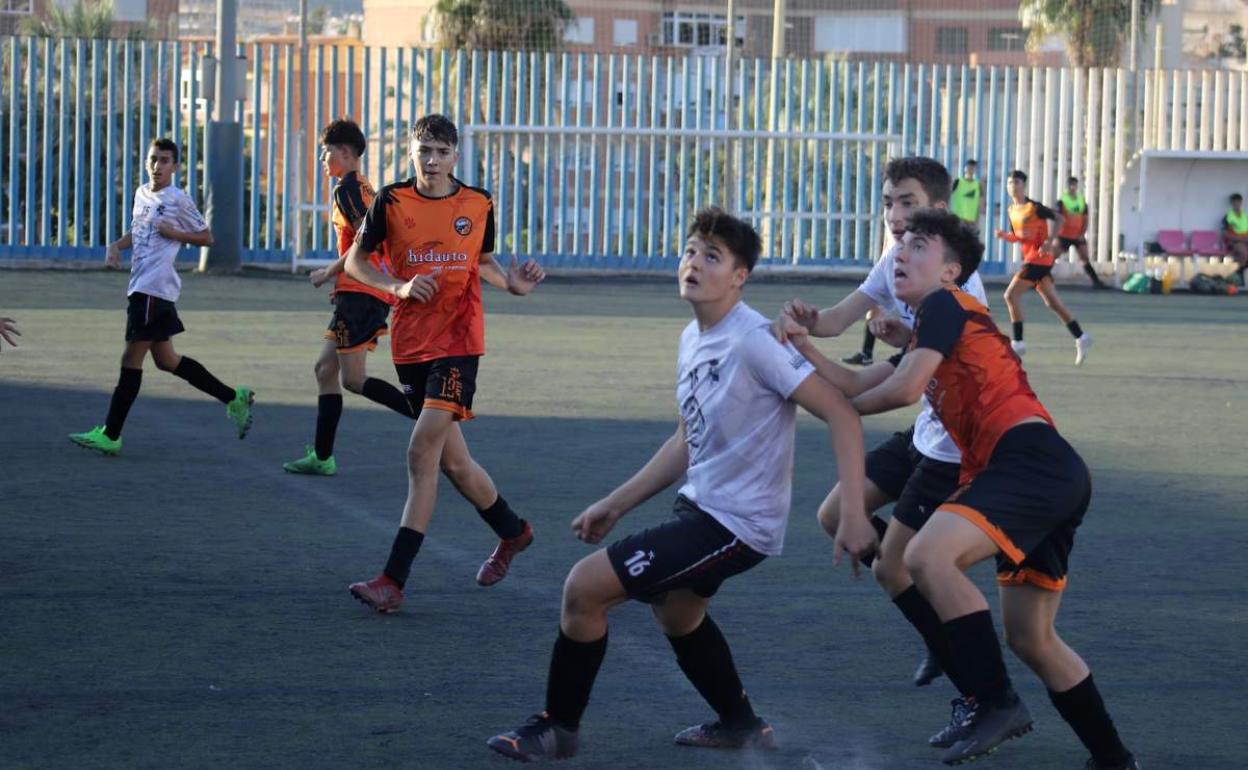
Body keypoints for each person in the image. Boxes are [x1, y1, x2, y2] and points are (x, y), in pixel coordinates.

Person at [486, 207, 872, 762]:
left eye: (712, 256)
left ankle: (558, 728)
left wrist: (854, 512)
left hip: (737, 525)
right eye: (691, 251)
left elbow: (842, 413)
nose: (694, 263)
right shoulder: (694, 337)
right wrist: (615, 504)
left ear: (739, 276)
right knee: (678, 614)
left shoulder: (756, 340)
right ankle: (742, 725)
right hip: (701, 509)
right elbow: (686, 438)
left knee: (584, 588)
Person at [794, 207, 1138, 770]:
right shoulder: (933, 327)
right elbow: (856, 381)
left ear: (951, 271)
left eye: (918, 245)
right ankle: (1114, 759)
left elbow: (902, 390)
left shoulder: (945, 304)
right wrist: (802, 349)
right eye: (900, 243)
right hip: (1048, 474)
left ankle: (995, 701)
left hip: (1029, 464)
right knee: (1031, 639)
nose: (901, 251)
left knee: (924, 556)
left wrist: (839, 414)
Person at [775, 156, 987, 694]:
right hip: (926, 432)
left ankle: (975, 680)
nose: (894, 214)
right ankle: (938, 615)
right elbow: (836, 321)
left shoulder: (958, 285)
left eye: (908, 203)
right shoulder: (898, 259)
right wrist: (807, 321)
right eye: (889, 202)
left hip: (955, 447)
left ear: (940, 210)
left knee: (893, 568)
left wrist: (842, 409)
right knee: (835, 515)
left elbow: (907, 381)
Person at [341, 114, 547, 611]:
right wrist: (398, 288)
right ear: (411, 152)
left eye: (441, 152)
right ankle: (513, 532)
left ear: (455, 156)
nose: (432, 161)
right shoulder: (391, 201)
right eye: (424, 151)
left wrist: (512, 285)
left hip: (459, 342)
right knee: (455, 464)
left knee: (421, 454)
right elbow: (355, 262)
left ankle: (392, 581)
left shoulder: (478, 203)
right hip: (410, 345)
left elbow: (482, 261)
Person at [68, 138, 254, 456]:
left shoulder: (178, 199)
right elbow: (140, 232)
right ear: (146, 162)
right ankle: (234, 398)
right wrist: (116, 246)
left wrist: (176, 234)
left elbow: (207, 237)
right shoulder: (142, 194)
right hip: (142, 287)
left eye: (164, 160)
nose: (157, 166)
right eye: (153, 159)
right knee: (167, 360)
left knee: (130, 359)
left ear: (175, 167)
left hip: (153, 290)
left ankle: (111, 434)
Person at [283, 118, 414, 477]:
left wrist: (328, 272)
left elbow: (364, 242)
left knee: (353, 380)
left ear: (344, 152)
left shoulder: (348, 189)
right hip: (358, 292)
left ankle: (428, 416)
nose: (322, 159)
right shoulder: (363, 187)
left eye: (325, 152)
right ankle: (322, 457)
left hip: (363, 294)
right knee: (325, 369)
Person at [998, 169, 1092, 366]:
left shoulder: (1034, 207)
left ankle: (1018, 342)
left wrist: (1049, 241)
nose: (1012, 186)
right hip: (1033, 258)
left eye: (1016, 182)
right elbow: (1019, 236)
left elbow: (1060, 219)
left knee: (1010, 295)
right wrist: (1005, 236)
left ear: (1023, 186)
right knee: (1053, 303)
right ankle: (1081, 337)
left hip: (1039, 258)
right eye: (1009, 183)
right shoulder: (1011, 210)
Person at [1054, 176, 1107, 289]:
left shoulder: (1082, 203)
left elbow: (1085, 220)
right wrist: (1055, 236)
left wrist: (1082, 234)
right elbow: (1057, 219)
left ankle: (1096, 282)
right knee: (1052, 257)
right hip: (1063, 235)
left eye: (1074, 185)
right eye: (1070, 185)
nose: (1072, 187)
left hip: (1077, 236)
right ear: (1067, 187)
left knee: (1084, 257)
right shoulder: (1061, 203)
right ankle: (1038, 278)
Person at [1221, 193, 1248, 281]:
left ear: (1241, 203)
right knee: (1244, 254)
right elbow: (1225, 234)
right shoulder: (1228, 217)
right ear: (1232, 203)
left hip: (1245, 241)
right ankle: (1238, 276)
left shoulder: (1245, 216)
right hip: (1234, 242)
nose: (1236, 204)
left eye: (1238, 202)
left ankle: (1238, 274)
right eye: (1234, 202)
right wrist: (1239, 239)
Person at [949, 159, 984, 228]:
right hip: (958, 219)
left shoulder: (978, 185)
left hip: (971, 221)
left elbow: (980, 203)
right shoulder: (958, 182)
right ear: (965, 168)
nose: (971, 169)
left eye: (973, 167)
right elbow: (948, 195)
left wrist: (977, 220)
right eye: (969, 167)